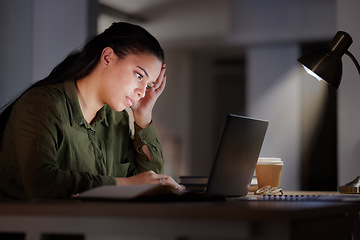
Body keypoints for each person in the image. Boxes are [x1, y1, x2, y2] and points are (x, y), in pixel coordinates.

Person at [0, 22, 182, 200]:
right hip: (33, 226)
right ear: (107, 58)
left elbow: (149, 187)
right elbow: (42, 183)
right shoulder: (42, 104)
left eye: (149, 85)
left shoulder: (117, 119)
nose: (142, 92)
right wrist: (124, 184)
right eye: (139, 75)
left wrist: (143, 116)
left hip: (89, 226)